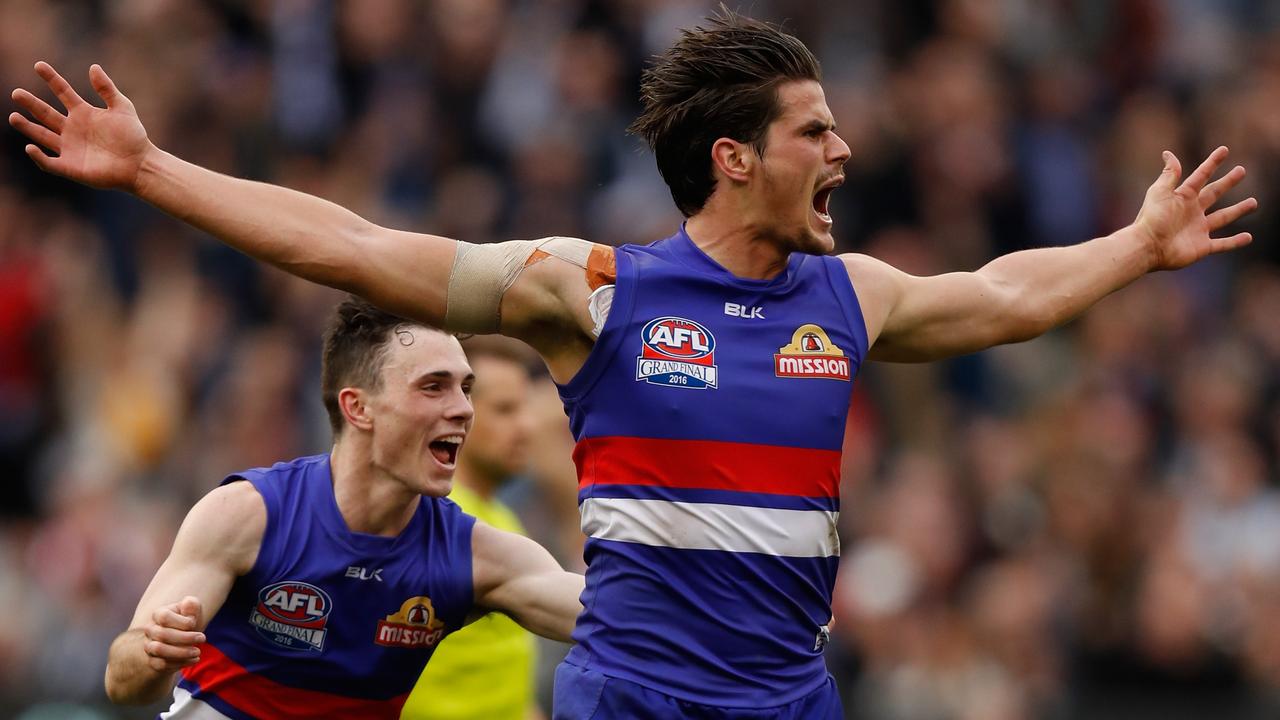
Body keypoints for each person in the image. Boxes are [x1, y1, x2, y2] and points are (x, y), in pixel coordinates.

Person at [10, 9, 1257, 720]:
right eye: (813, 130)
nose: (844, 147)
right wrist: (153, 171)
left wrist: (1136, 246)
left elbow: (998, 297)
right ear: (733, 158)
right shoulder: (592, 291)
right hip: (635, 700)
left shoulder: (850, 295)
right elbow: (358, 247)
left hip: (788, 700)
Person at [100, 297, 583, 718]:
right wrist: (152, 653)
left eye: (465, 388)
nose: (463, 409)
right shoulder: (247, 515)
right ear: (358, 408)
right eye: (434, 386)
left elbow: (619, 614)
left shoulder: (475, 555)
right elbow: (123, 682)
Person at [404, 336, 546, 720]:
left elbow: (506, 678)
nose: (527, 427)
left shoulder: (504, 520)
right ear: (457, 412)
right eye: (505, 410)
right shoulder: (423, 520)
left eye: (527, 409)